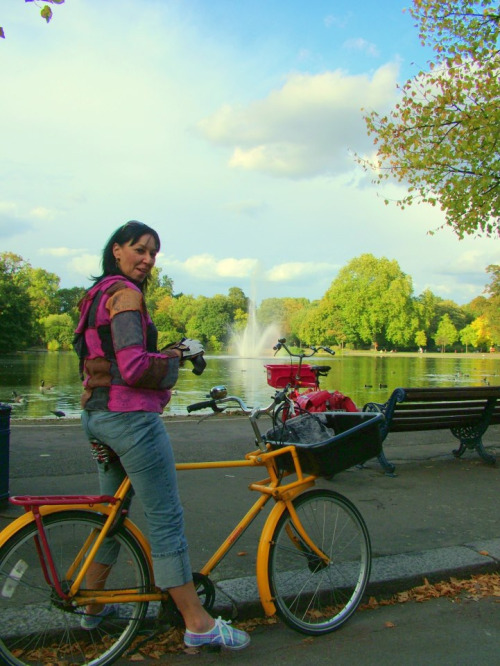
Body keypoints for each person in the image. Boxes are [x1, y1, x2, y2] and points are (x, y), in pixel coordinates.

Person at [74, 220, 250, 650]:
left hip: (97, 416)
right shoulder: (127, 296)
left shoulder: (93, 295)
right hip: (131, 421)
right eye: (139, 249)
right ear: (116, 250)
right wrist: (173, 359)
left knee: (111, 515)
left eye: (154, 252)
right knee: (166, 518)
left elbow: (101, 361)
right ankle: (198, 621)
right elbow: (135, 368)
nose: (147, 259)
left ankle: (91, 608)